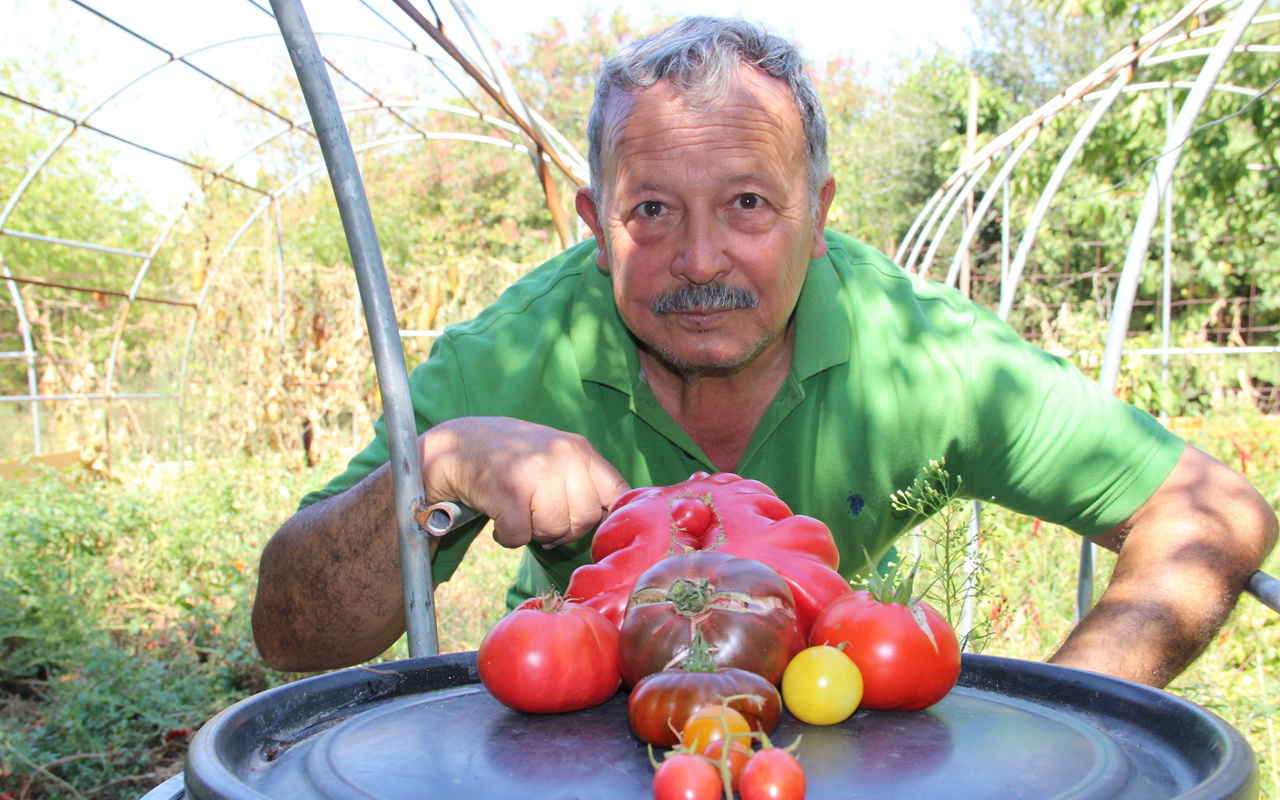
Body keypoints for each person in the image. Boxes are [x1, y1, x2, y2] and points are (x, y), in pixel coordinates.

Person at [252, 16, 1277, 686]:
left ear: (818, 212)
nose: (699, 260)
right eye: (649, 210)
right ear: (591, 221)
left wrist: (1081, 706)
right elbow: (292, 637)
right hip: (573, 713)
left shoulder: (917, 355)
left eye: (747, 204)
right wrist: (434, 467)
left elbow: (1212, 507)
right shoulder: (518, 353)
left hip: (825, 710)